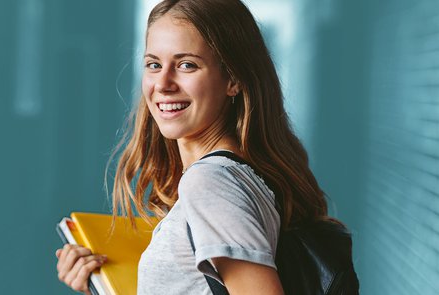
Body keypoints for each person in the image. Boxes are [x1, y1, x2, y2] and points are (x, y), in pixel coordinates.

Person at [56, 0, 331, 294]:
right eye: (154, 64)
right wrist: (102, 285)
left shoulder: (211, 183)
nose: (163, 83)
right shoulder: (236, 177)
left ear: (233, 79)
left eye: (187, 65)